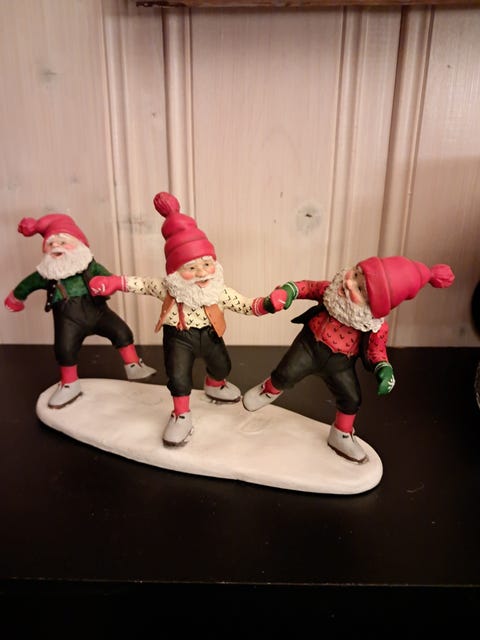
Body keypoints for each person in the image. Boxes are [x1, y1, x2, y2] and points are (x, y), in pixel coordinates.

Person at [88, 191, 275, 447]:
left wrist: (267, 304)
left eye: (206, 264)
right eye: (191, 268)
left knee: (222, 365)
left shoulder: (218, 291)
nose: (201, 273)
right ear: (175, 272)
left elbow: (244, 304)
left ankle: (215, 383)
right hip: (179, 339)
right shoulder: (168, 288)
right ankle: (181, 414)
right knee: (178, 377)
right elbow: (141, 283)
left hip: (211, 335)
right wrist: (114, 282)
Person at [243, 257, 455, 463]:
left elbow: (377, 351)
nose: (349, 283)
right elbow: (307, 287)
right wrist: (287, 292)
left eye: (360, 289)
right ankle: (268, 390)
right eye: (355, 273)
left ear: (374, 305)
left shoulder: (375, 326)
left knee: (351, 398)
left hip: (341, 365)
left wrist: (384, 370)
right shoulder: (330, 291)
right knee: (285, 373)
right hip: (309, 347)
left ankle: (342, 433)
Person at [4, 213, 156, 409]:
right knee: (64, 349)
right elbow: (26, 285)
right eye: (51, 244)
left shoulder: (90, 267)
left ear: (79, 244)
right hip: (68, 319)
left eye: (63, 242)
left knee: (121, 331)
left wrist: (109, 283)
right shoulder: (47, 274)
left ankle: (133, 365)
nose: (56, 247)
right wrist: (15, 298)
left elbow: (110, 279)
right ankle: (69, 383)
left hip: (98, 312)